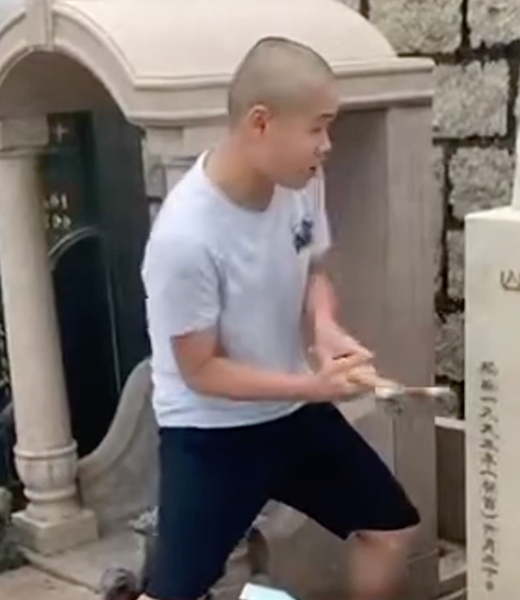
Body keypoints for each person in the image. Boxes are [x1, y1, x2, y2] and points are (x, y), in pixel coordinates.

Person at [138, 36, 421, 600]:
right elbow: (201, 370)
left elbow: (312, 268)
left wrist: (324, 328)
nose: (327, 145)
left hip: (291, 412)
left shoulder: (301, 183)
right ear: (261, 123)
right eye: (317, 128)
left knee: (389, 529)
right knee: (173, 593)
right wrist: (314, 386)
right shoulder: (185, 237)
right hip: (210, 431)